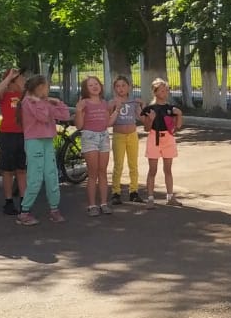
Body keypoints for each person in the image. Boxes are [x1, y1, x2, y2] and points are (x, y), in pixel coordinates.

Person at [16, 75, 70, 225]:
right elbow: (43, 117)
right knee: (35, 177)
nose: (49, 89)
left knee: (52, 175)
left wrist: (57, 102)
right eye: (47, 86)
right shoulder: (28, 102)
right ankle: (24, 212)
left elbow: (65, 115)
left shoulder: (45, 102)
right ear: (40, 88)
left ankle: (54, 209)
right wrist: (42, 103)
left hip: (47, 141)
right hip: (34, 142)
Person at [75, 75, 117, 216]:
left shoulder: (104, 103)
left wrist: (116, 110)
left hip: (103, 137)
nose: (94, 86)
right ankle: (92, 205)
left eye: (96, 83)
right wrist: (78, 111)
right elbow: (79, 126)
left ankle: (104, 204)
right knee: (93, 173)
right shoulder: (84, 103)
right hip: (90, 137)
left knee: (102, 172)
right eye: (90, 85)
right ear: (86, 89)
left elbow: (107, 123)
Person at [140, 78, 183, 208]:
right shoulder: (150, 109)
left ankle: (170, 197)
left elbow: (177, 126)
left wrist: (179, 115)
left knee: (168, 169)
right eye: (162, 90)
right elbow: (146, 128)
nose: (165, 92)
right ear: (155, 92)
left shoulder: (171, 108)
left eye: (166, 90)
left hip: (168, 138)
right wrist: (151, 119)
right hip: (154, 138)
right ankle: (150, 198)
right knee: (152, 169)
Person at [0, 68, 27, 215]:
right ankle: (8, 202)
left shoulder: (24, 96)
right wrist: (9, 77)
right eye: (21, 78)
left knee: (22, 169)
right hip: (7, 135)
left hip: (23, 135)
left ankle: (25, 202)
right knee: (7, 170)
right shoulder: (5, 95)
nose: (24, 80)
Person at [109, 75, 144, 205]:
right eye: (118, 86)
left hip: (132, 135)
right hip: (118, 135)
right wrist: (113, 107)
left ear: (129, 87)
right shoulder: (112, 102)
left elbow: (141, 117)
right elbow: (108, 118)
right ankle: (116, 192)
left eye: (123, 85)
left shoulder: (133, 102)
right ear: (114, 88)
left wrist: (143, 105)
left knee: (133, 164)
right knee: (118, 165)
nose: (121, 88)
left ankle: (134, 191)